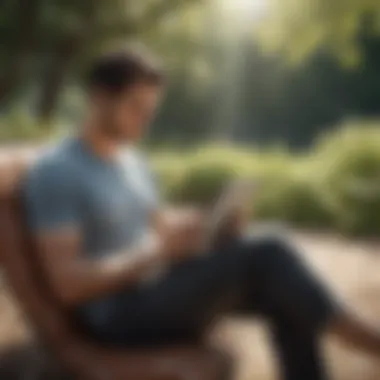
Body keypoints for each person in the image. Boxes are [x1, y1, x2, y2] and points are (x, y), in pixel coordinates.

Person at [23, 46, 380, 380]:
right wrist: (158, 254)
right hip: (116, 316)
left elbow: (157, 227)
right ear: (99, 98)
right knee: (269, 253)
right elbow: (67, 285)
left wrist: (209, 228)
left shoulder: (131, 161)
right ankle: (367, 338)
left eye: (152, 110)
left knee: (282, 285)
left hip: (155, 288)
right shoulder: (58, 171)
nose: (146, 121)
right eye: (136, 107)